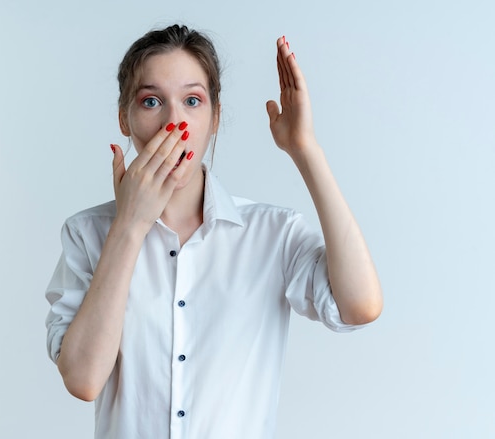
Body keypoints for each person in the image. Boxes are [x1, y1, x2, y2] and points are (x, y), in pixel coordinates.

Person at [45, 24, 383, 438]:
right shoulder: (87, 234)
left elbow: (360, 306)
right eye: (151, 101)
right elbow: (82, 379)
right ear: (124, 118)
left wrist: (304, 148)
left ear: (215, 117)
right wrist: (130, 226)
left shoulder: (272, 233)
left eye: (192, 100)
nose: (174, 122)